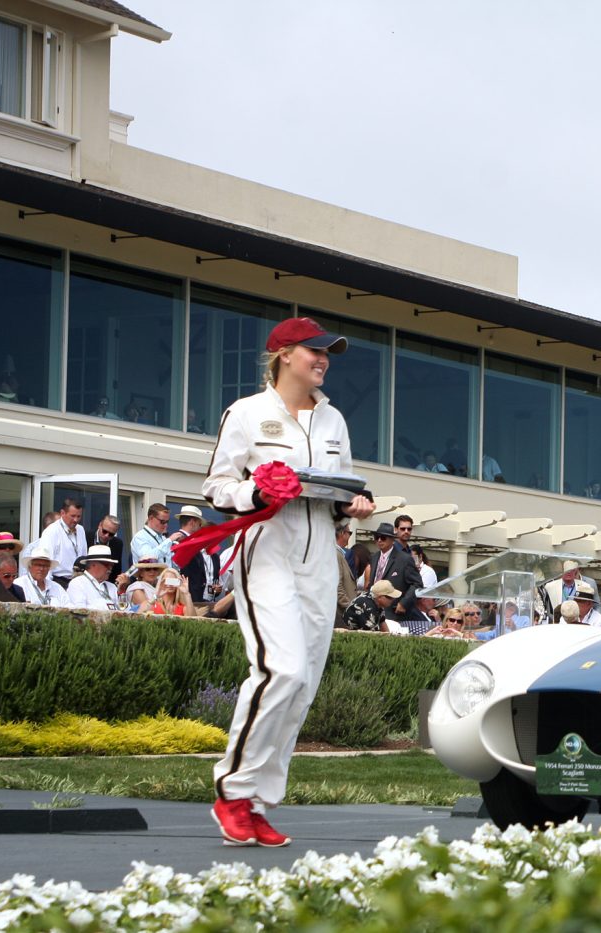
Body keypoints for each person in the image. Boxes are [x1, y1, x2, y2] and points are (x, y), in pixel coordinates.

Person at [201, 315, 375, 849]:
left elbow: (340, 491)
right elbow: (215, 486)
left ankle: (257, 802)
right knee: (282, 669)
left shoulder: (334, 420)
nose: (322, 360)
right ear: (282, 355)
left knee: (304, 683)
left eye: (327, 354)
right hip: (267, 546)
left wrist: (355, 507)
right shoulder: (248, 413)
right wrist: (255, 493)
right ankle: (231, 790)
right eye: (313, 352)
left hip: (321, 551)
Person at [363, 523, 422, 622]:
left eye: (383, 537)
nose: (379, 540)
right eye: (377, 537)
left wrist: (404, 603)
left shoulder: (405, 559)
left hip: (394, 614)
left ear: (392, 539)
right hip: (373, 612)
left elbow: (417, 584)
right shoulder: (374, 557)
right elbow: (372, 584)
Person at [37, 498, 87, 589]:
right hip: (58, 581)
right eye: (73, 516)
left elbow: (84, 557)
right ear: (62, 513)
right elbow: (46, 560)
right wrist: (46, 587)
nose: (76, 520)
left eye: (79, 516)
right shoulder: (51, 531)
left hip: (78, 582)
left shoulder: (81, 530)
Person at [65, 545, 126, 611]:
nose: (110, 568)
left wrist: (122, 592)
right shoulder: (78, 583)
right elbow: (79, 613)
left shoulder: (112, 587)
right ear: (93, 564)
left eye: (112, 565)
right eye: (107, 564)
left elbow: (125, 612)